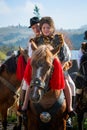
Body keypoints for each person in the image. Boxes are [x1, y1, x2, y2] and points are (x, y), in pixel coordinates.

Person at [22, 16, 75, 117]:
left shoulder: (59, 39)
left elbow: (66, 56)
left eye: (48, 28)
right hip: (42, 69)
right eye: (44, 28)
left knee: (70, 84)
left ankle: (69, 108)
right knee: (29, 83)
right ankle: (24, 106)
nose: (46, 30)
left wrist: (59, 69)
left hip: (59, 67)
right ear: (41, 29)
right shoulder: (37, 40)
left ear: (52, 28)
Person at [17, 16, 41, 111]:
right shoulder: (32, 41)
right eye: (33, 28)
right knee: (26, 83)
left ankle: (68, 112)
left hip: (45, 67)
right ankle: (23, 106)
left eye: (37, 26)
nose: (36, 29)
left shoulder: (48, 37)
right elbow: (30, 58)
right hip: (34, 67)